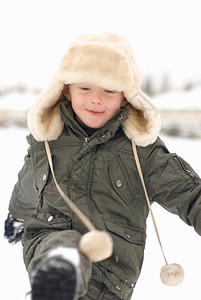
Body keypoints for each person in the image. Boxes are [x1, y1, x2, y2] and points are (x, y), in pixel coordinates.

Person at [4, 32, 201, 300]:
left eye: (108, 90)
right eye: (85, 88)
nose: (96, 99)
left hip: (111, 274)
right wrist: (17, 215)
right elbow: (29, 182)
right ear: (67, 89)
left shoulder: (141, 150)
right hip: (48, 248)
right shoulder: (47, 140)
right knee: (67, 247)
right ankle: (61, 271)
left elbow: (188, 193)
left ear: (125, 97)